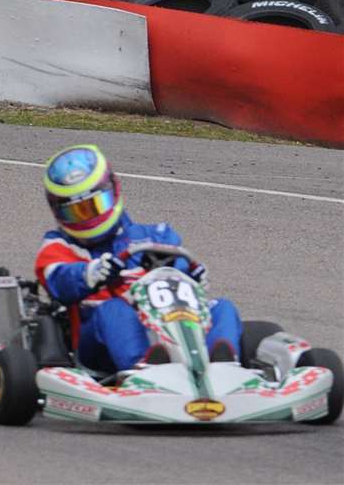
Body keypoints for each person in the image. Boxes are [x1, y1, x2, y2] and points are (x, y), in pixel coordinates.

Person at [35, 143, 242, 374]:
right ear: (58, 211)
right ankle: (143, 369)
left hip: (168, 325)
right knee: (113, 309)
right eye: (77, 211)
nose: (89, 217)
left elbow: (179, 273)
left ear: (113, 191)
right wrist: (90, 273)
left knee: (222, 307)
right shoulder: (59, 246)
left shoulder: (157, 235)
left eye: (96, 205)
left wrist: (193, 277)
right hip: (97, 346)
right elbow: (58, 281)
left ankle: (223, 364)